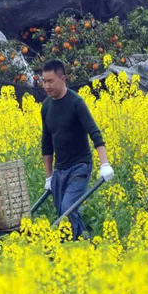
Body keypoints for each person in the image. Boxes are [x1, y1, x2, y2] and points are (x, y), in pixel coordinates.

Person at [40, 60, 114, 239]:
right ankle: (85, 246)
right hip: (59, 170)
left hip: (80, 166)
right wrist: (49, 176)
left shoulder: (76, 103)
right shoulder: (46, 107)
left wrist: (104, 164)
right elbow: (46, 143)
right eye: (44, 81)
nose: (46, 86)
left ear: (63, 79)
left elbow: (94, 133)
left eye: (51, 81)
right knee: (65, 215)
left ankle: (75, 249)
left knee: (67, 211)